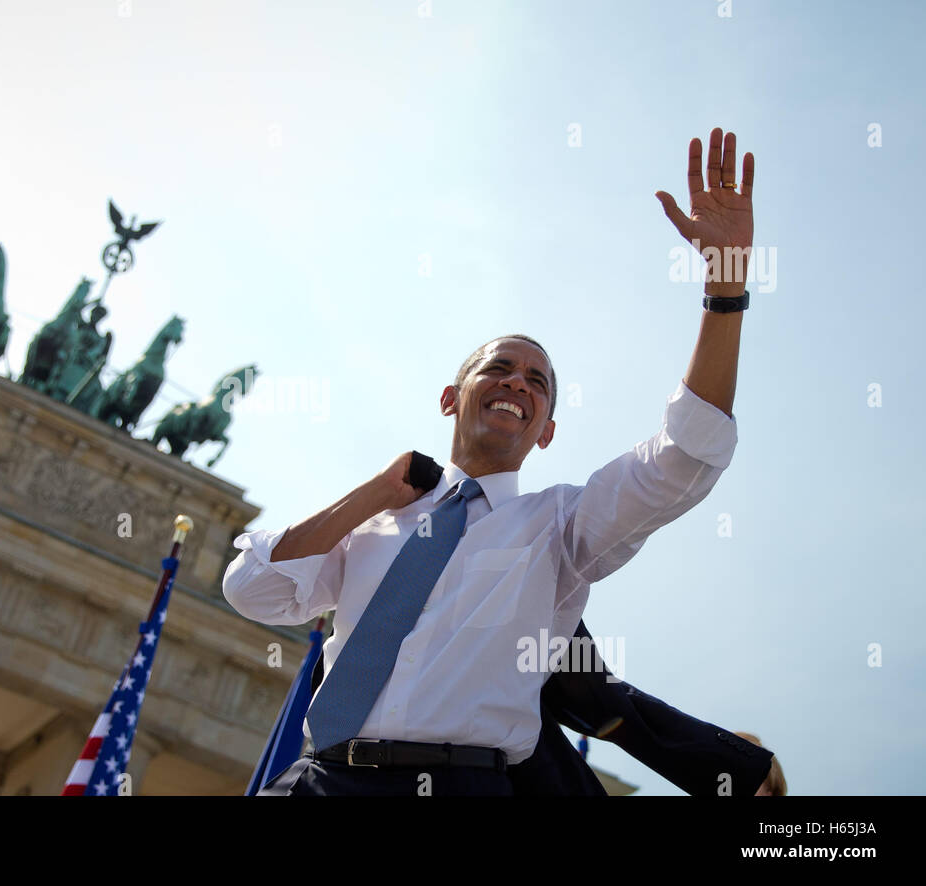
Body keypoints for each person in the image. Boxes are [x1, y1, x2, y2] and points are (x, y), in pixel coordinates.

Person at [224, 127, 759, 796]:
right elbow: (254, 589)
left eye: (537, 383)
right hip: (323, 780)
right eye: (499, 368)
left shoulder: (560, 527)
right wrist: (371, 496)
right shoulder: (371, 528)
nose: (516, 384)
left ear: (547, 430)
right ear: (451, 397)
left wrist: (725, 288)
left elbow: (685, 456)